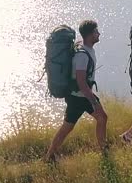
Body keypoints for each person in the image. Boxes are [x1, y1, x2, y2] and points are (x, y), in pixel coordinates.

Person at [45, 19, 106, 162]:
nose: (99, 34)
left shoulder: (84, 48)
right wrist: (94, 101)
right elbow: (81, 81)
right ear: (90, 35)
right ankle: (103, 150)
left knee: (69, 126)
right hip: (80, 96)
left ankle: (49, 156)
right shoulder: (82, 56)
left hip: (77, 96)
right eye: (96, 32)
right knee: (101, 117)